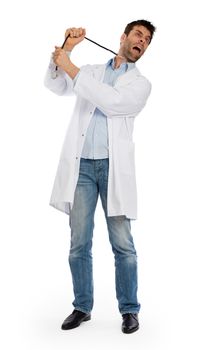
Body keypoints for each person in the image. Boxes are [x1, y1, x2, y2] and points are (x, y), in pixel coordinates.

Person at [44, 19, 156, 334]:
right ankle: (82, 306)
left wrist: (70, 67)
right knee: (78, 242)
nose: (141, 41)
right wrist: (67, 49)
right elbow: (55, 85)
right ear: (123, 36)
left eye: (147, 40)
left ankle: (130, 310)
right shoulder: (92, 70)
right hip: (81, 169)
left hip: (112, 170)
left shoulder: (140, 84)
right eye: (138, 34)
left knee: (123, 244)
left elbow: (112, 102)